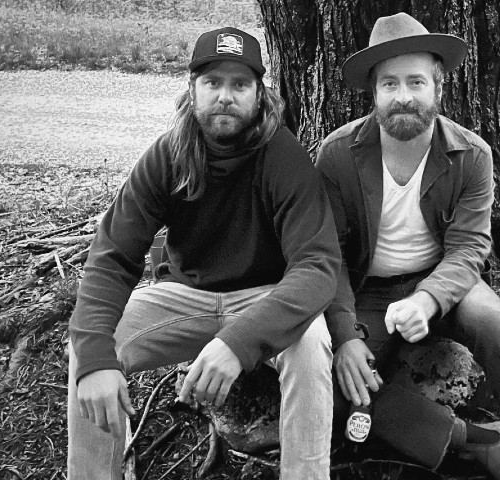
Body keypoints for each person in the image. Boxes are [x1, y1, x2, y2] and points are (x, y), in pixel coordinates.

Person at [67, 26, 340, 480]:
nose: (225, 97)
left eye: (240, 85)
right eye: (213, 83)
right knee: (90, 347)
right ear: (192, 88)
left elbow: (318, 267)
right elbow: (112, 256)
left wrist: (238, 342)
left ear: (259, 93)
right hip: (184, 299)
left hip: (264, 297)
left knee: (312, 342)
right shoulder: (167, 155)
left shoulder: (283, 156)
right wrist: (96, 360)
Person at [315, 12, 500, 480]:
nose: (403, 96)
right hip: (366, 291)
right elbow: (326, 254)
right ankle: (473, 440)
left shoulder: (471, 155)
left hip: (441, 280)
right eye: (389, 83)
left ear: (438, 87)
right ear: (373, 92)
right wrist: (344, 336)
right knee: (335, 382)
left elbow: (470, 247)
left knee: (490, 318)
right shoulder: (337, 154)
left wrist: (427, 298)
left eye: (416, 82)